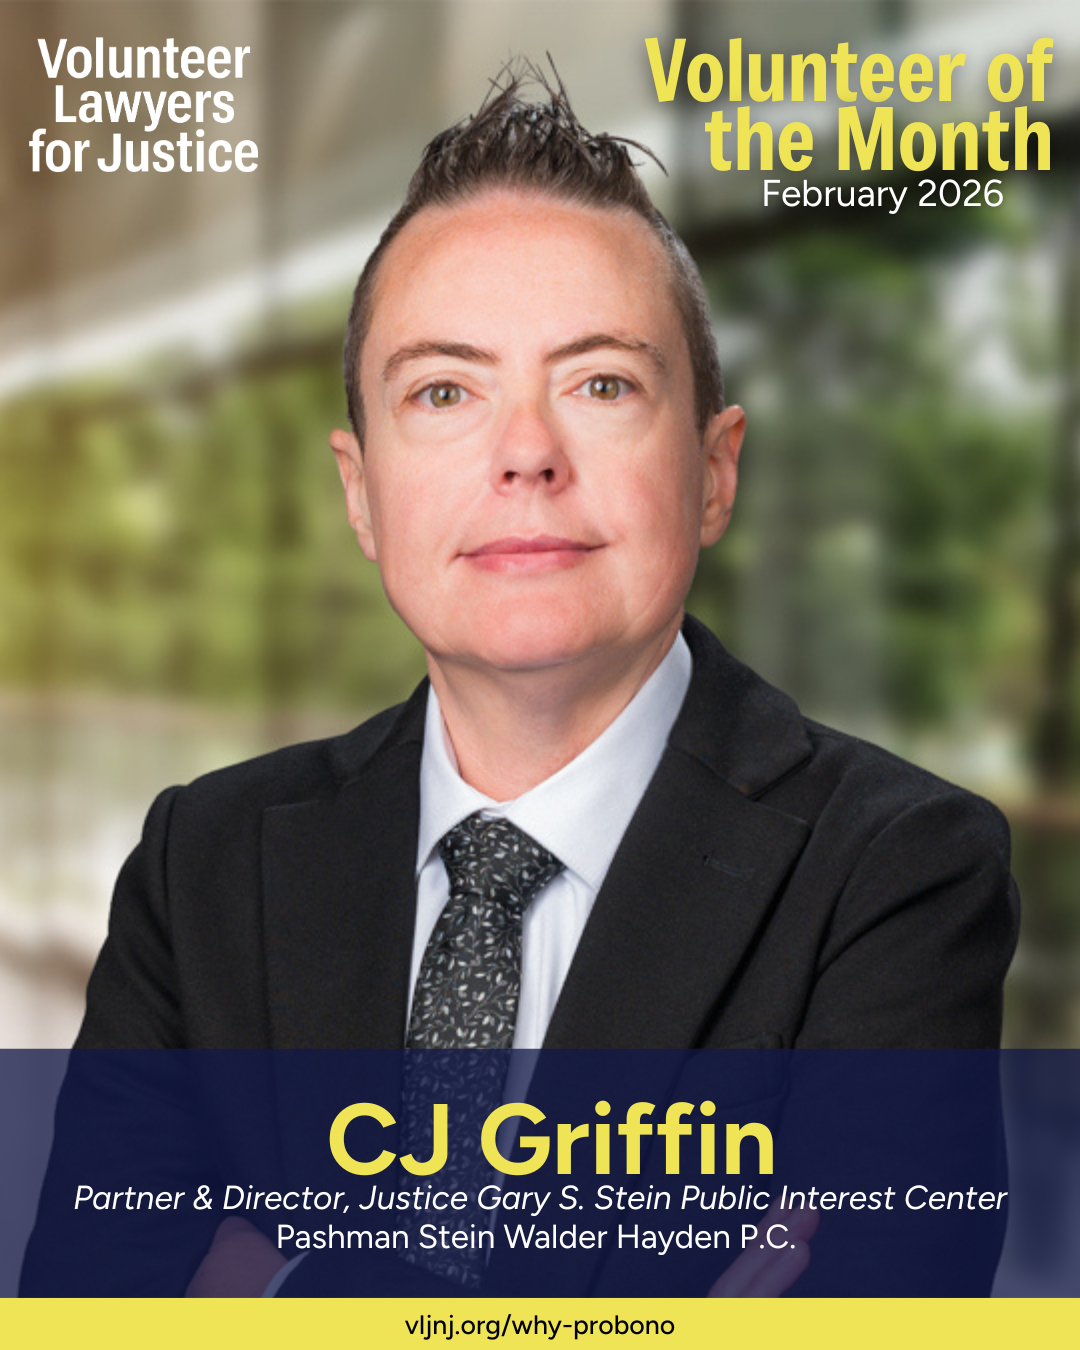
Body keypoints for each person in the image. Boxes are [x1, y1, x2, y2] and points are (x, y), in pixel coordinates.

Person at [23, 65, 1018, 1299]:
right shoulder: (202, 866)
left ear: (715, 471)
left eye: (601, 383)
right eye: (445, 391)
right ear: (360, 493)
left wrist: (274, 1299)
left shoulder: (899, 873)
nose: (527, 456)